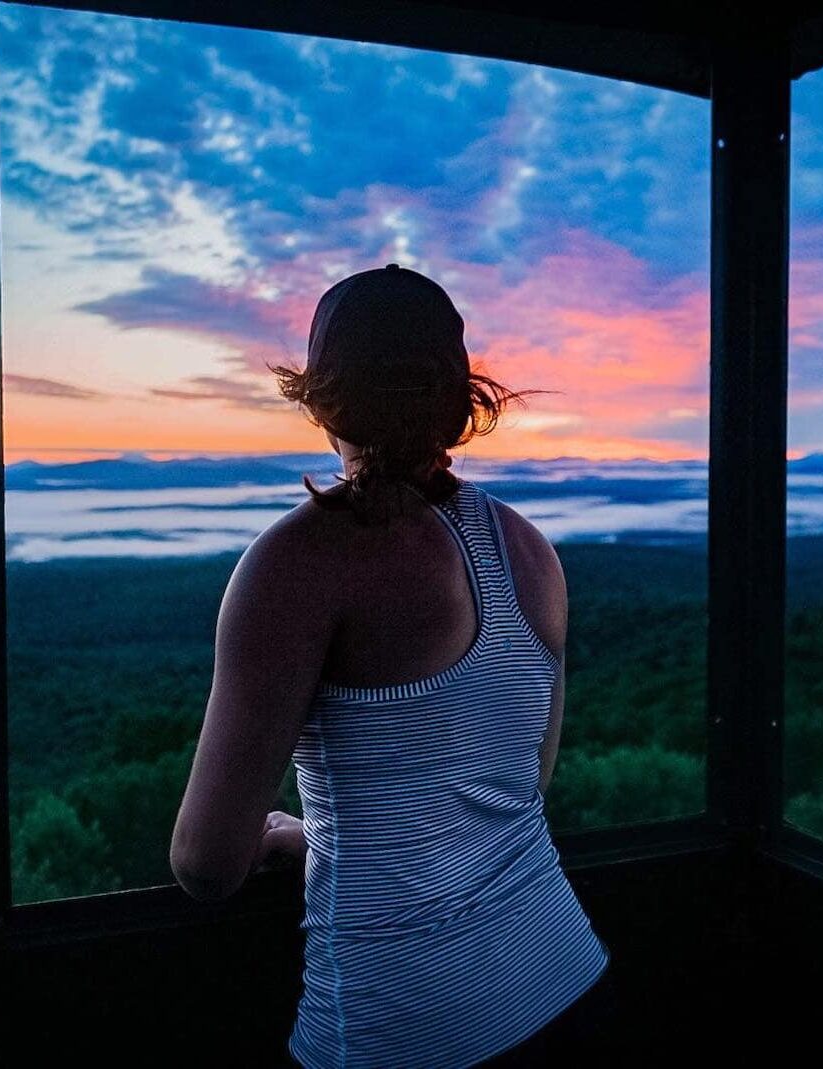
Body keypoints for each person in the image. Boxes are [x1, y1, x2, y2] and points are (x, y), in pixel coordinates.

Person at [169, 264, 616, 1068]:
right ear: (458, 395)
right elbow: (514, 791)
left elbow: (205, 863)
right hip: (567, 982)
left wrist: (304, 835)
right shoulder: (529, 550)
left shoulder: (299, 559)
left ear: (320, 395)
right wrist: (335, 837)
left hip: (404, 1027)